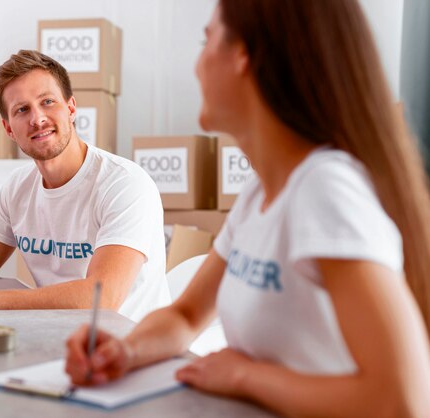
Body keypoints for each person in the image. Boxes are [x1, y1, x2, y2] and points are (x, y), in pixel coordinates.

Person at [65, 1, 430, 416]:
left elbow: (402, 399)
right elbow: (186, 316)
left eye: (207, 41)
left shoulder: (324, 190)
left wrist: (243, 376)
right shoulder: (260, 193)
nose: (198, 65)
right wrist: (124, 350)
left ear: (245, 56)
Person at [0, 50, 170, 322]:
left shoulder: (124, 183)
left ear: (71, 108)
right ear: (9, 128)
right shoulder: (17, 188)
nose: (37, 118)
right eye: (22, 110)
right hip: (59, 339)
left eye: (47, 101)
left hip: (130, 347)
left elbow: (102, 297)